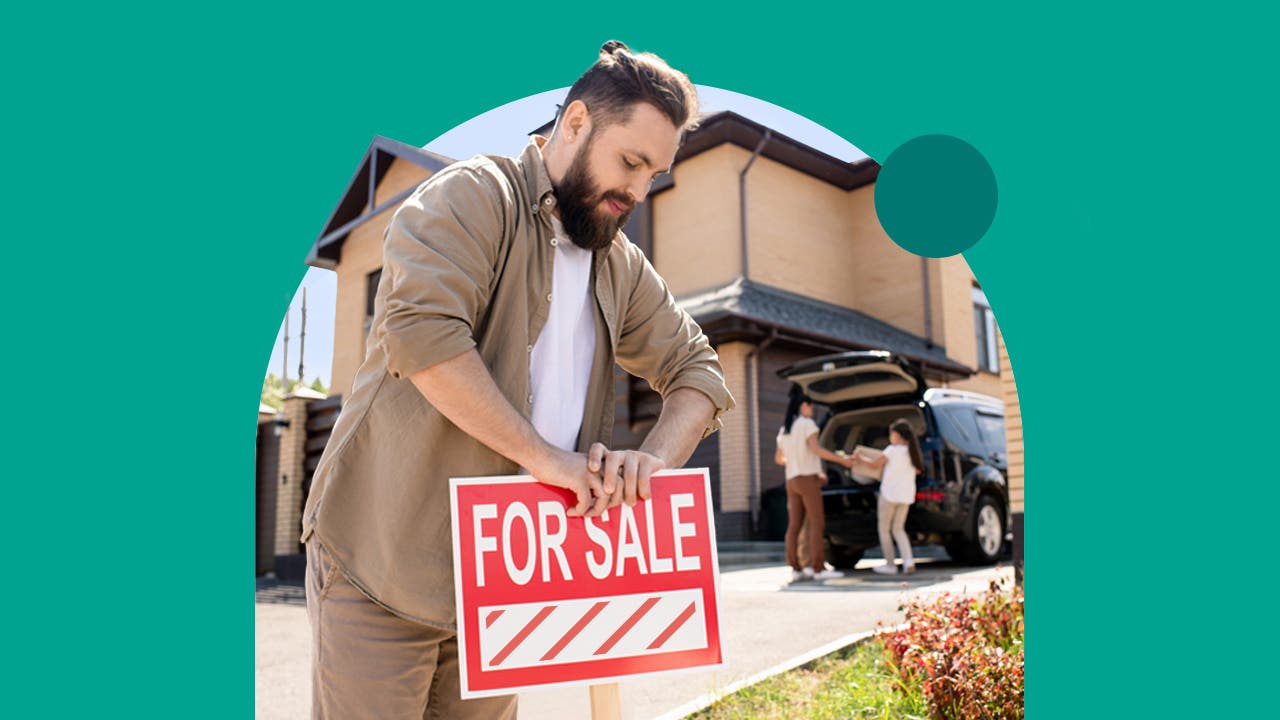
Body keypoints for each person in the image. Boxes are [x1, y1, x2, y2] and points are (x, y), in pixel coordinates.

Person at [298, 41, 734, 719]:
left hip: (499, 588)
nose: (638, 190)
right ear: (578, 122)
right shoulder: (473, 195)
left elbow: (699, 370)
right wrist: (544, 459)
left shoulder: (619, 264)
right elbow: (424, 336)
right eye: (630, 161)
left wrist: (648, 467)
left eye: (654, 172)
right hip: (382, 564)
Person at [775, 391, 855, 582]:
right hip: (807, 480)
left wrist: (796, 460)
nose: (812, 409)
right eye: (810, 405)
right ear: (803, 406)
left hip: (791, 481)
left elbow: (779, 459)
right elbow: (816, 449)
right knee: (817, 523)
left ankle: (796, 568)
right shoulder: (807, 424)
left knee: (794, 526)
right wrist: (842, 460)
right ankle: (818, 568)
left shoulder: (784, 429)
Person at [852, 419, 925, 575]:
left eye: (891, 434)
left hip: (889, 495)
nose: (890, 437)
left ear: (897, 435)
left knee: (884, 530)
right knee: (899, 529)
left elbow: (874, 465)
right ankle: (908, 561)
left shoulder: (892, 450)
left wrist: (859, 458)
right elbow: (918, 471)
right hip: (905, 497)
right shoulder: (912, 453)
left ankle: (890, 565)